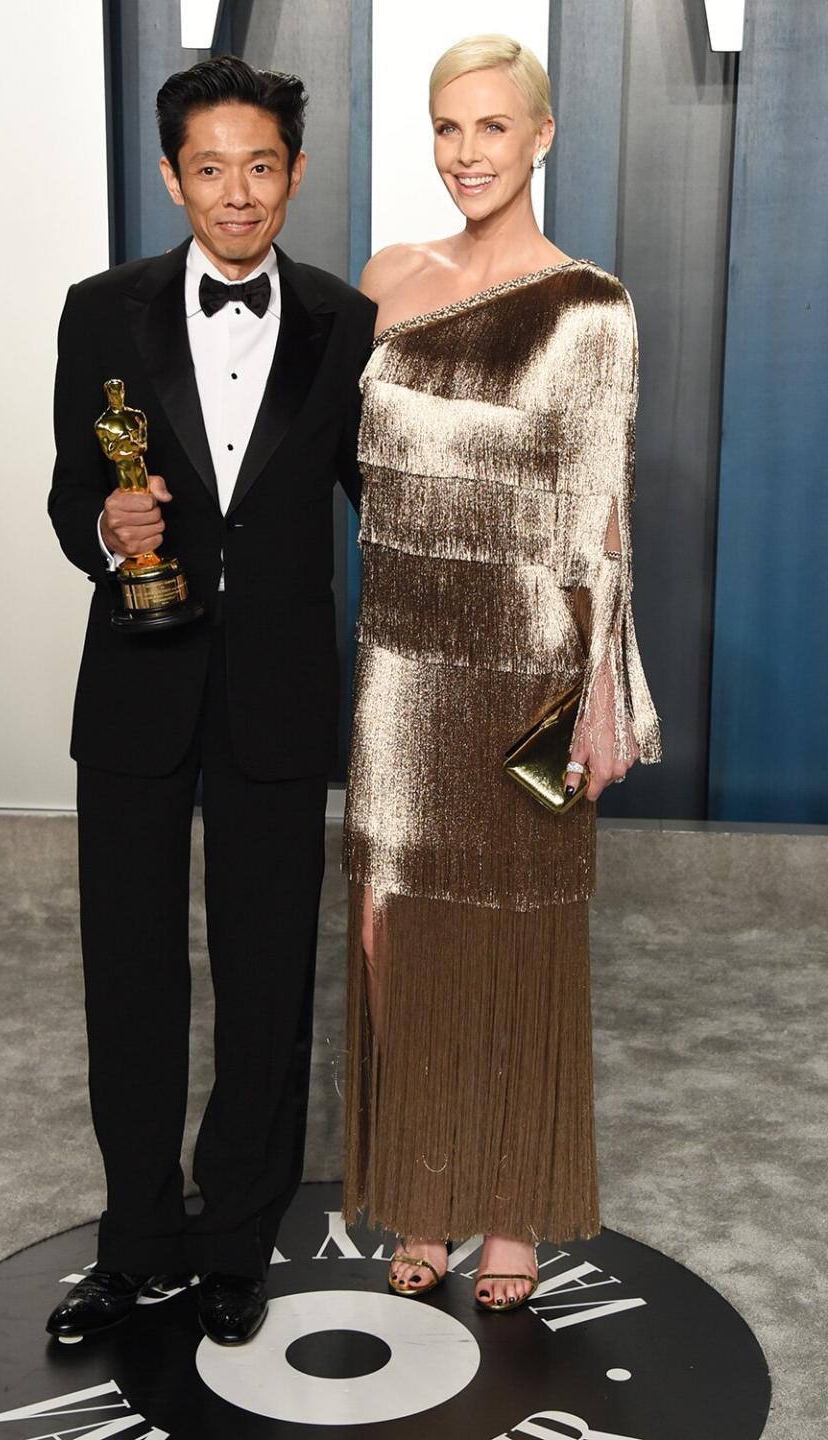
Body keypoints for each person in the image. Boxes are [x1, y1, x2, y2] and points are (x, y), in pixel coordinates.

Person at [46, 55, 375, 1346]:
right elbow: (74, 490)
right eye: (209, 167)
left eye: (261, 167)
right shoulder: (100, 310)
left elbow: (384, 508)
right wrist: (104, 527)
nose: (236, 193)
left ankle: (236, 1236)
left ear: (292, 175)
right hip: (133, 682)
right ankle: (137, 1242)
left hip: (281, 693)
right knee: (126, 974)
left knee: (266, 975)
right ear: (172, 176)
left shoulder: (347, 322)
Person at [342, 34, 661, 1311]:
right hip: (401, 668)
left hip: (527, 670)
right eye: (446, 128)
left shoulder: (592, 305)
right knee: (395, 930)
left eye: (491, 128)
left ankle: (516, 1203)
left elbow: (605, 517)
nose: (466, 154)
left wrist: (599, 694)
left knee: (524, 934)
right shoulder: (388, 278)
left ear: (541, 137)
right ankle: (422, 1188)